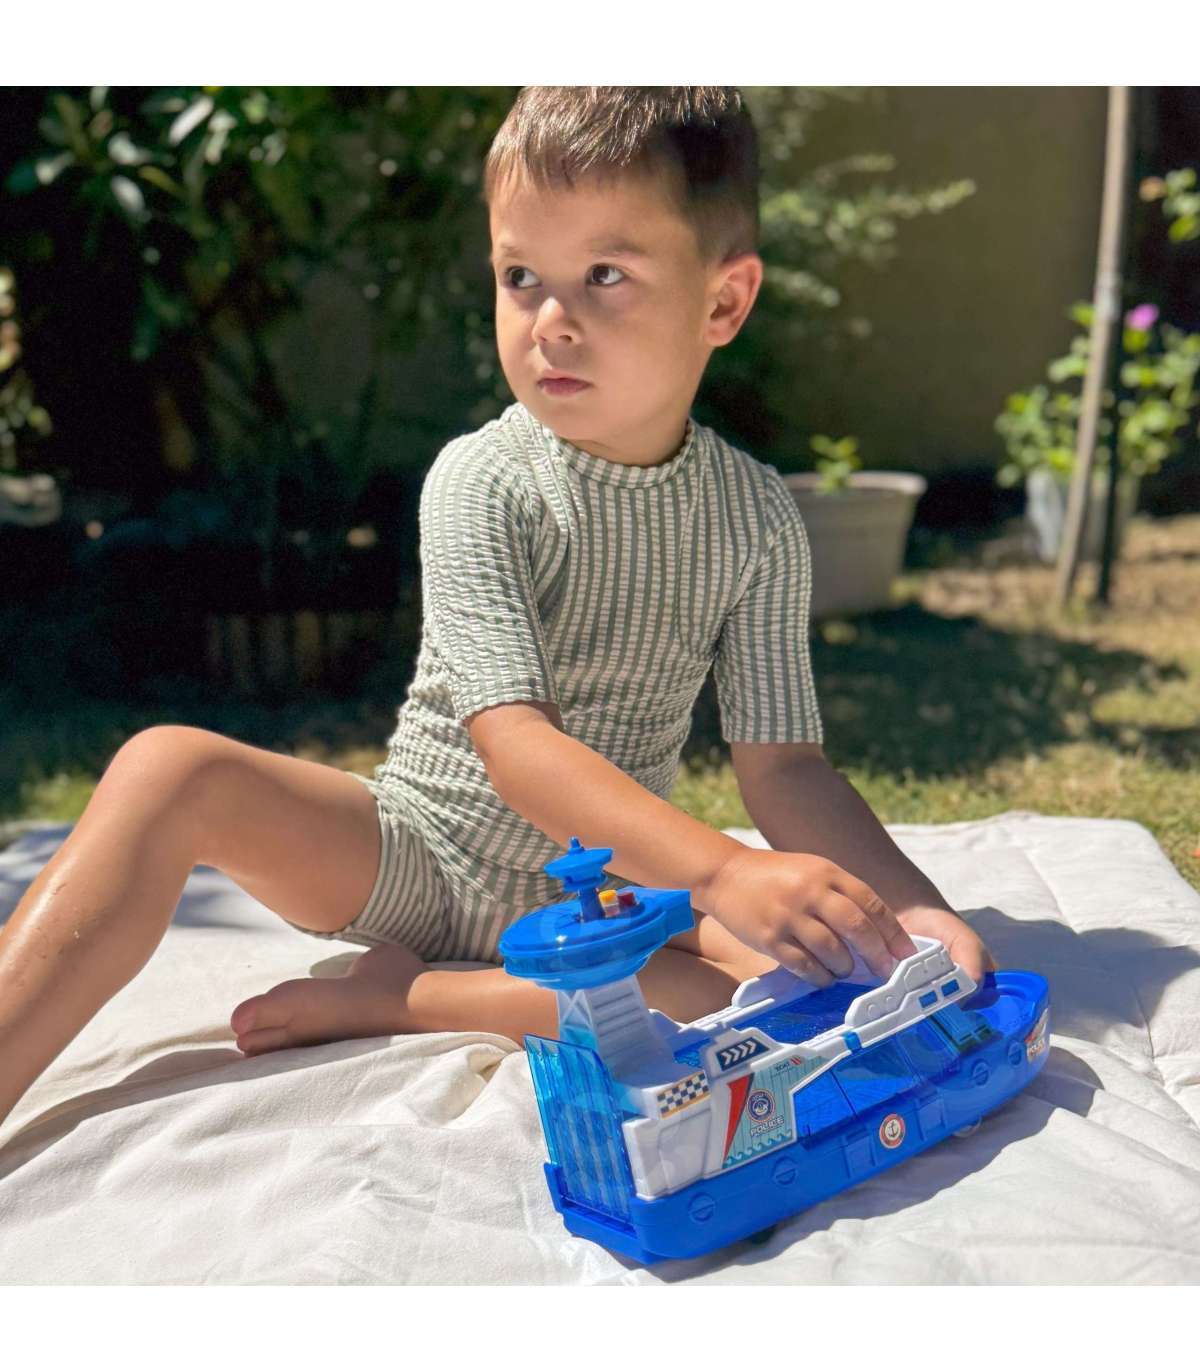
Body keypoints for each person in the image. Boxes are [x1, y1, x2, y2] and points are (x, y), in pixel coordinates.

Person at [0, 87, 995, 1128]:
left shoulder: (755, 514)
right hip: (416, 860)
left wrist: (913, 917)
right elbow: (514, 746)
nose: (550, 321)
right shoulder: (484, 481)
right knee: (169, 768)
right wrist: (722, 870)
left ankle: (407, 1000)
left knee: (775, 986)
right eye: (522, 276)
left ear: (723, 303)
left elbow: (784, 768)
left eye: (604, 275)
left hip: (601, 898)